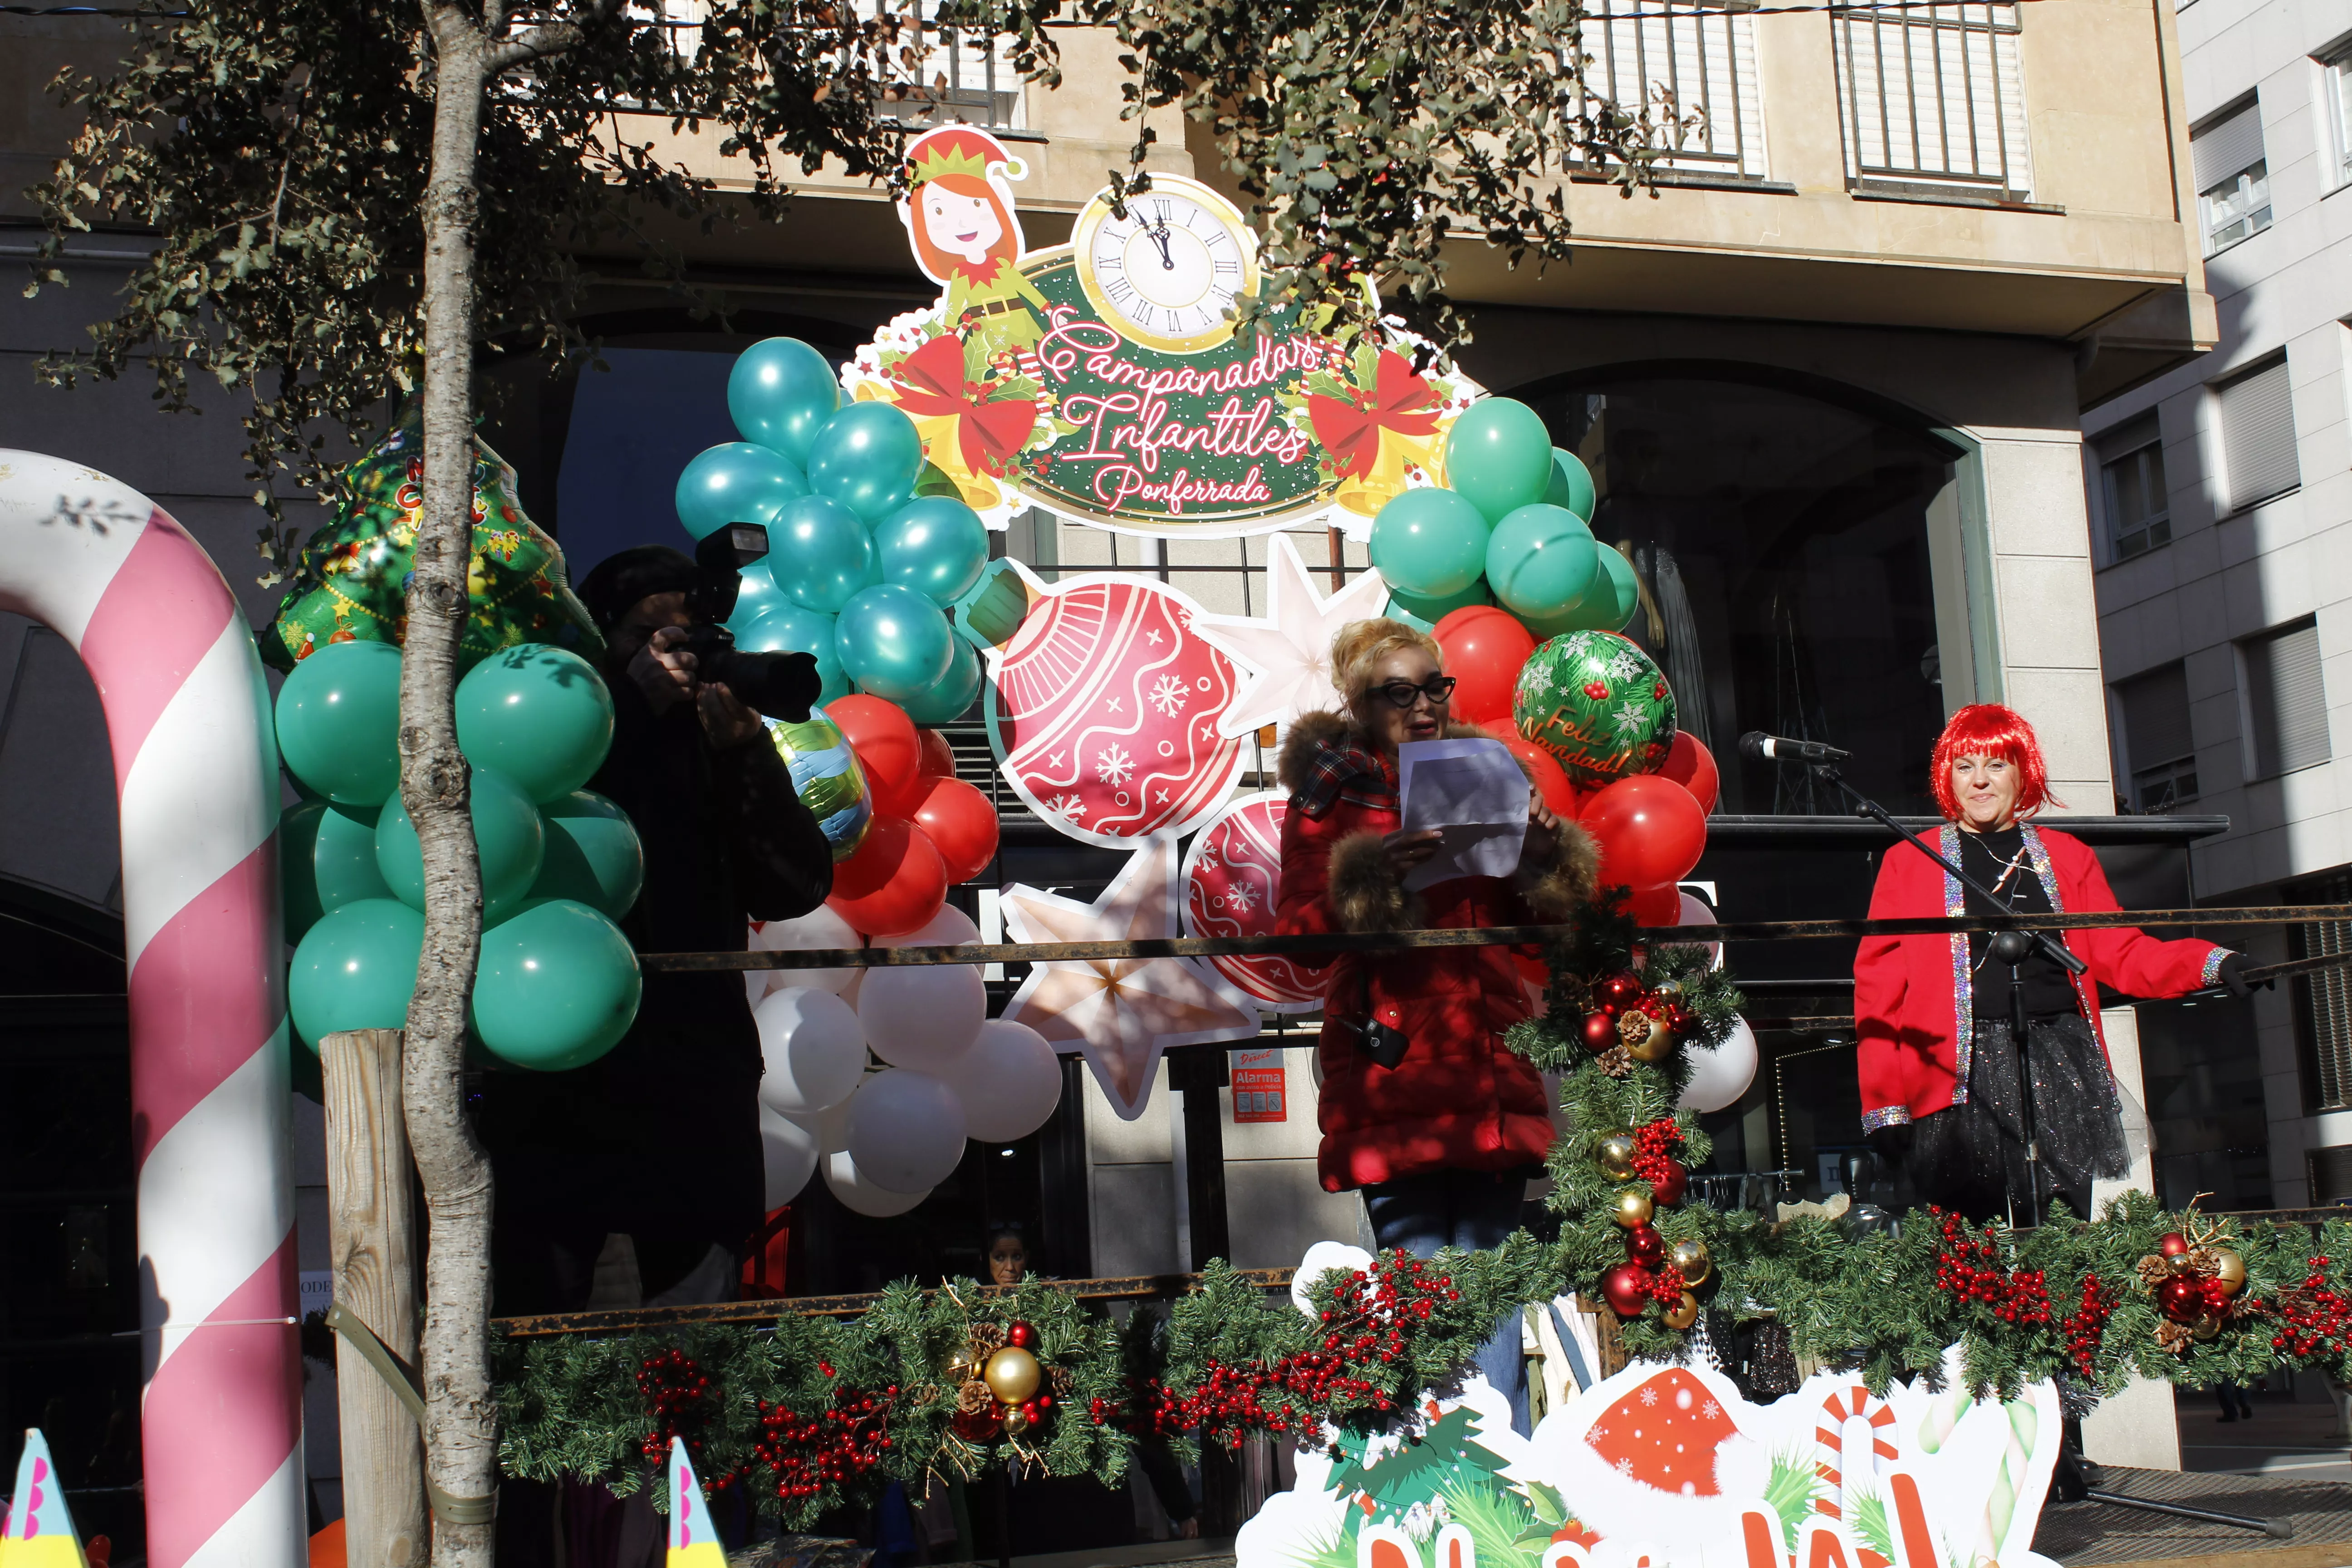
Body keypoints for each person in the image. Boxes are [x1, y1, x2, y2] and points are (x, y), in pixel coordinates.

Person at [483, 545, 836, 1315]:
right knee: (542, 1327)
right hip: (564, 1081)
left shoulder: (716, 743)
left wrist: (746, 751)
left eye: (690, 641)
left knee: (699, 1349)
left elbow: (796, 883)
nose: (676, 660)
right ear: (601, 647)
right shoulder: (560, 738)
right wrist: (626, 705)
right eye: (652, 638)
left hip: (691, 1084)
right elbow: (523, 842)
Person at [1275, 618, 1596, 1432]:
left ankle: (1503, 1478)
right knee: (1420, 1283)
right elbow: (1299, 939)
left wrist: (1539, 855)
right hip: (1394, 1069)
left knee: (1490, 1285)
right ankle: (1438, 1476)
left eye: (1435, 687)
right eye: (1400, 692)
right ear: (1358, 703)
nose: (1423, 706)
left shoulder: (1484, 769)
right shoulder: (1331, 791)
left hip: (1486, 1061)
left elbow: (1536, 936)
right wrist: (1373, 872)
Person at [1854, 703, 2249, 1224]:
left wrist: (2211, 962)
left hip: (2057, 1059)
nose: (1979, 782)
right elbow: (1879, 990)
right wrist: (1885, 1104)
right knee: (1967, 1256)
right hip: (1956, 1077)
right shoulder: (1911, 860)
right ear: (1947, 777)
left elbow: (2122, 952)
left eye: (1995, 765)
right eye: (1964, 766)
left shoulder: (2068, 855)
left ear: (2023, 772)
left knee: (2061, 1242)